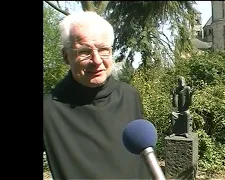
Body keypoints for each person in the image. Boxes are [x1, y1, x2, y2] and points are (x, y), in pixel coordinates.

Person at [43, 11, 150, 179]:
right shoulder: (49, 110)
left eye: (103, 50)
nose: (97, 60)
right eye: (85, 52)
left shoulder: (130, 96)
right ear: (66, 56)